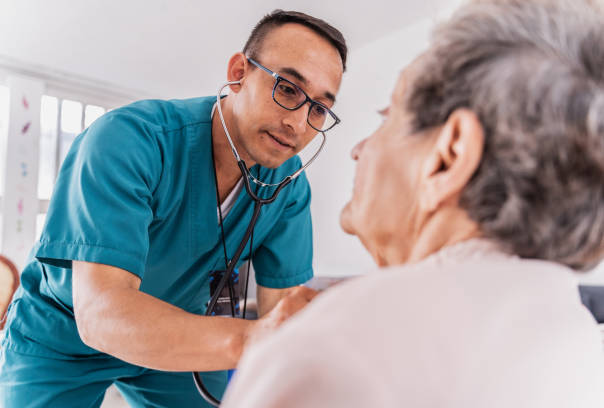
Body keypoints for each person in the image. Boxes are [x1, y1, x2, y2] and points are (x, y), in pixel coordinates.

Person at [221, 1, 604, 407]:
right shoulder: (582, 350)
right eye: (288, 90)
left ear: (449, 156)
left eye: (387, 117)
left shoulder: (336, 347)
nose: (358, 149)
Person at [0, 10, 346, 408]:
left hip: (181, 330)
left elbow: (283, 316)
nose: (298, 124)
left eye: (318, 109)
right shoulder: (128, 140)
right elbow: (101, 314)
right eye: (287, 89)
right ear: (238, 73)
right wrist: (248, 339)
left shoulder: (289, 186)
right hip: (64, 334)